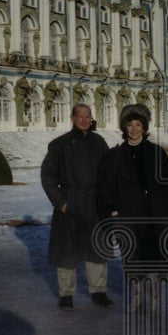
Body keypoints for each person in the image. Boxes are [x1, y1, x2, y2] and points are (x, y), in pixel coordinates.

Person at [97, 104, 168, 314]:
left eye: (138, 124)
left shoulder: (156, 152)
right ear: (124, 127)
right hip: (126, 216)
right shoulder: (114, 155)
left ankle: (153, 299)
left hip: (153, 215)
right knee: (131, 258)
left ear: (144, 127)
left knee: (152, 258)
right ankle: (136, 298)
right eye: (129, 124)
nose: (134, 129)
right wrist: (111, 209)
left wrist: (167, 209)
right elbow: (104, 185)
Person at [40, 104, 113, 310]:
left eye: (87, 116)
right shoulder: (59, 144)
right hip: (69, 202)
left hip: (94, 203)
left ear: (91, 119)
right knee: (67, 251)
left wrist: (108, 202)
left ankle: (99, 291)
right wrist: (60, 202)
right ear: (72, 118)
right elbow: (48, 176)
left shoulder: (99, 142)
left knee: (96, 249)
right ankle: (66, 294)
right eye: (80, 116)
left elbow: (108, 174)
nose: (84, 119)